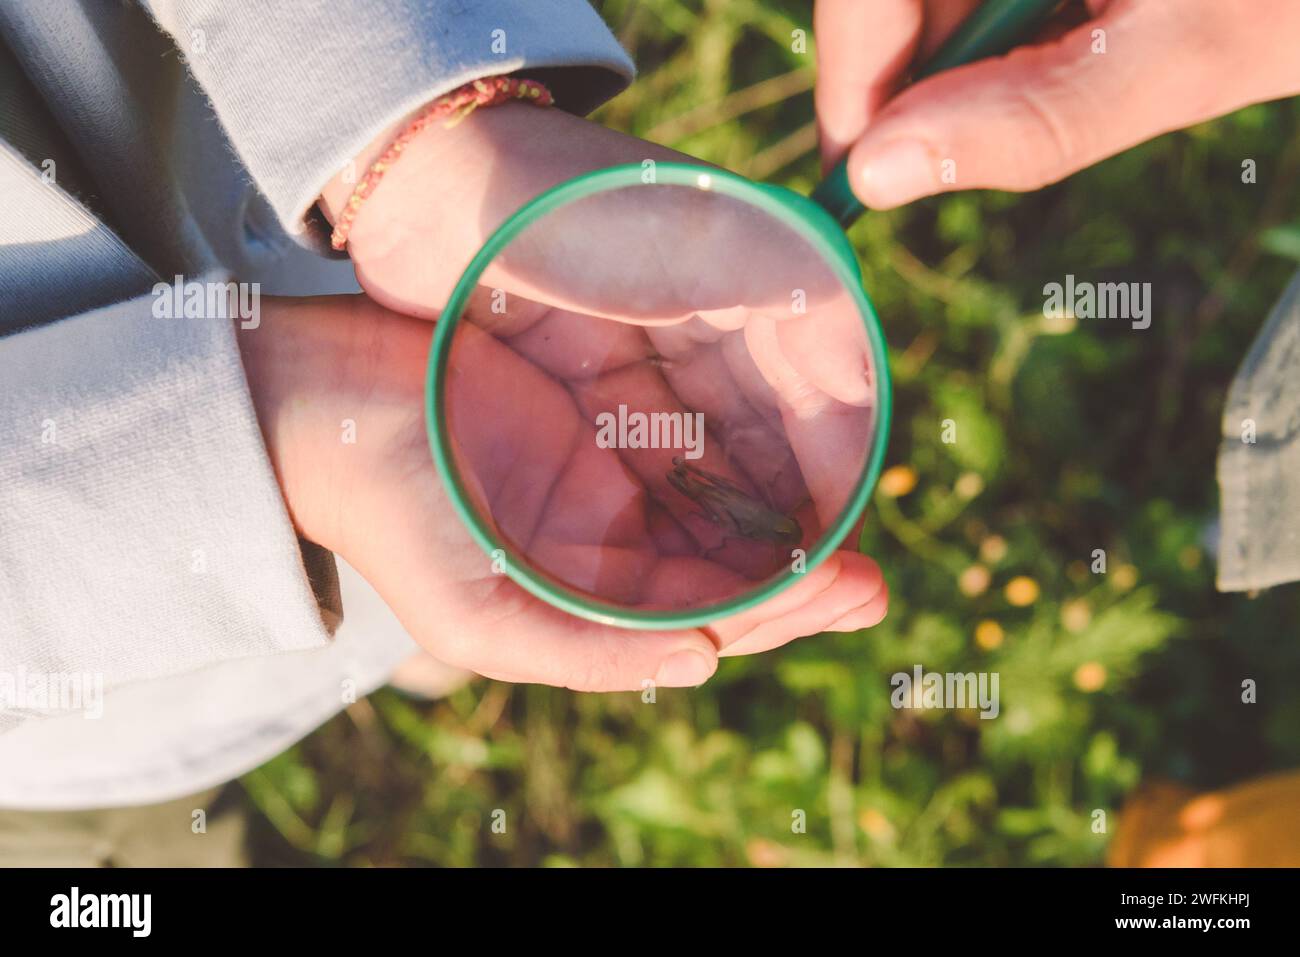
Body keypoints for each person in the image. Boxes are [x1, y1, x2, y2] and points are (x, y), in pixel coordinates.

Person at [0, 0, 887, 854]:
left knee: (439, 569)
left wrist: (407, 138)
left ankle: (398, 648)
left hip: (310, 240)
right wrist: (265, 436)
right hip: (53, 731)